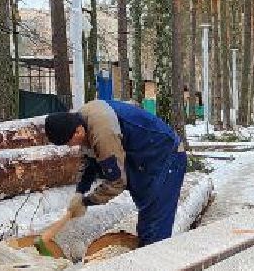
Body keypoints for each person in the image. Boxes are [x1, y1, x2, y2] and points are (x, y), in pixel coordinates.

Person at [43, 98, 189, 247]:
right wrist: (80, 191)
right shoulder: (82, 119)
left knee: (154, 227)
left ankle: (158, 266)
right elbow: (91, 161)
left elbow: (117, 182)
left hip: (165, 156)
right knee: (147, 219)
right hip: (144, 159)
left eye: (69, 142)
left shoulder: (103, 132)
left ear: (78, 131)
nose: (70, 147)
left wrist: (87, 202)